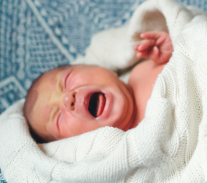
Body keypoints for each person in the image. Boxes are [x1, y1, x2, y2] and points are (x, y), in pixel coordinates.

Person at [23, 31, 173, 142]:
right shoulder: (130, 146)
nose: (68, 98)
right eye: (58, 118)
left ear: (98, 67)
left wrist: (171, 48)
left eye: (67, 80)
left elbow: (190, 48)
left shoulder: (141, 70)